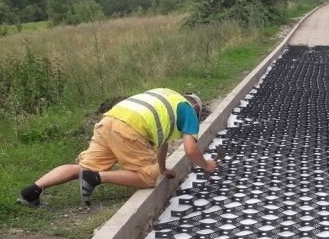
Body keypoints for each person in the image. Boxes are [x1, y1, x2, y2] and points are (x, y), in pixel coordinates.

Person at [18, 88, 217, 207]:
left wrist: (163, 168)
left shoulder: (168, 98)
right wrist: (206, 165)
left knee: (84, 166)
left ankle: (33, 190)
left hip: (110, 120)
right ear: (196, 108)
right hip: (129, 129)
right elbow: (191, 150)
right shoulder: (190, 113)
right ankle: (96, 178)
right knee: (148, 178)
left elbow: (162, 144)